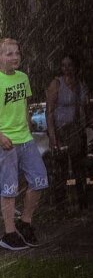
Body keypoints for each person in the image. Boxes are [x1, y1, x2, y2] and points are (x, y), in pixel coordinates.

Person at [0, 38, 48, 250]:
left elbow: (24, 107)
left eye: (17, 53)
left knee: (39, 179)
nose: (14, 57)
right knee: (9, 188)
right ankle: (9, 234)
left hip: (25, 140)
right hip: (4, 142)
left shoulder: (23, 78)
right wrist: (0, 136)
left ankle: (25, 222)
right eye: (9, 54)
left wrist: (29, 131)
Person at [46, 54, 89, 212]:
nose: (66, 68)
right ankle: (60, 206)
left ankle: (82, 203)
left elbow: (85, 107)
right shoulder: (56, 84)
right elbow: (49, 111)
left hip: (77, 130)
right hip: (61, 130)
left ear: (75, 67)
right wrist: (52, 135)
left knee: (79, 168)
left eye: (70, 65)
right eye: (63, 65)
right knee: (61, 170)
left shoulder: (80, 85)